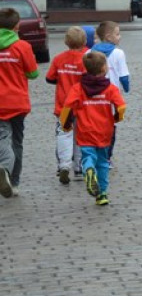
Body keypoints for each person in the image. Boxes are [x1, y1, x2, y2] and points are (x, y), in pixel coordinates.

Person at [59, 51, 126, 206]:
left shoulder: (78, 88)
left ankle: (88, 170)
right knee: (103, 162)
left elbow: (67, 107)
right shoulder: (110, 88)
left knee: (88, 156)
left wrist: (66, 124)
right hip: (105, 131)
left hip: (85, 130)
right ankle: (102, 194)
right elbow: (121, 106)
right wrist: (117, 118)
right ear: (104, 69)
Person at [0, 7, 39, 198]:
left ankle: (3, 167)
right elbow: (33, 73)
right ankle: (13, 182)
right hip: (17, 101)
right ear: (17, 25)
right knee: (17, 141)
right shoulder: (22, 47)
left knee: (2, 137)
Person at [46, 27, 87, 184]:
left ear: (66, 42)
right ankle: (79, 168)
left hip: (64, 105)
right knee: (80, 136)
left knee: (64, 134)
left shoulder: (58, 58)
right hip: (82, 105)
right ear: (84, 42)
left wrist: (63, 78)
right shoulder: (86, 59)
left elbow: (50, 78)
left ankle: (64, 165)